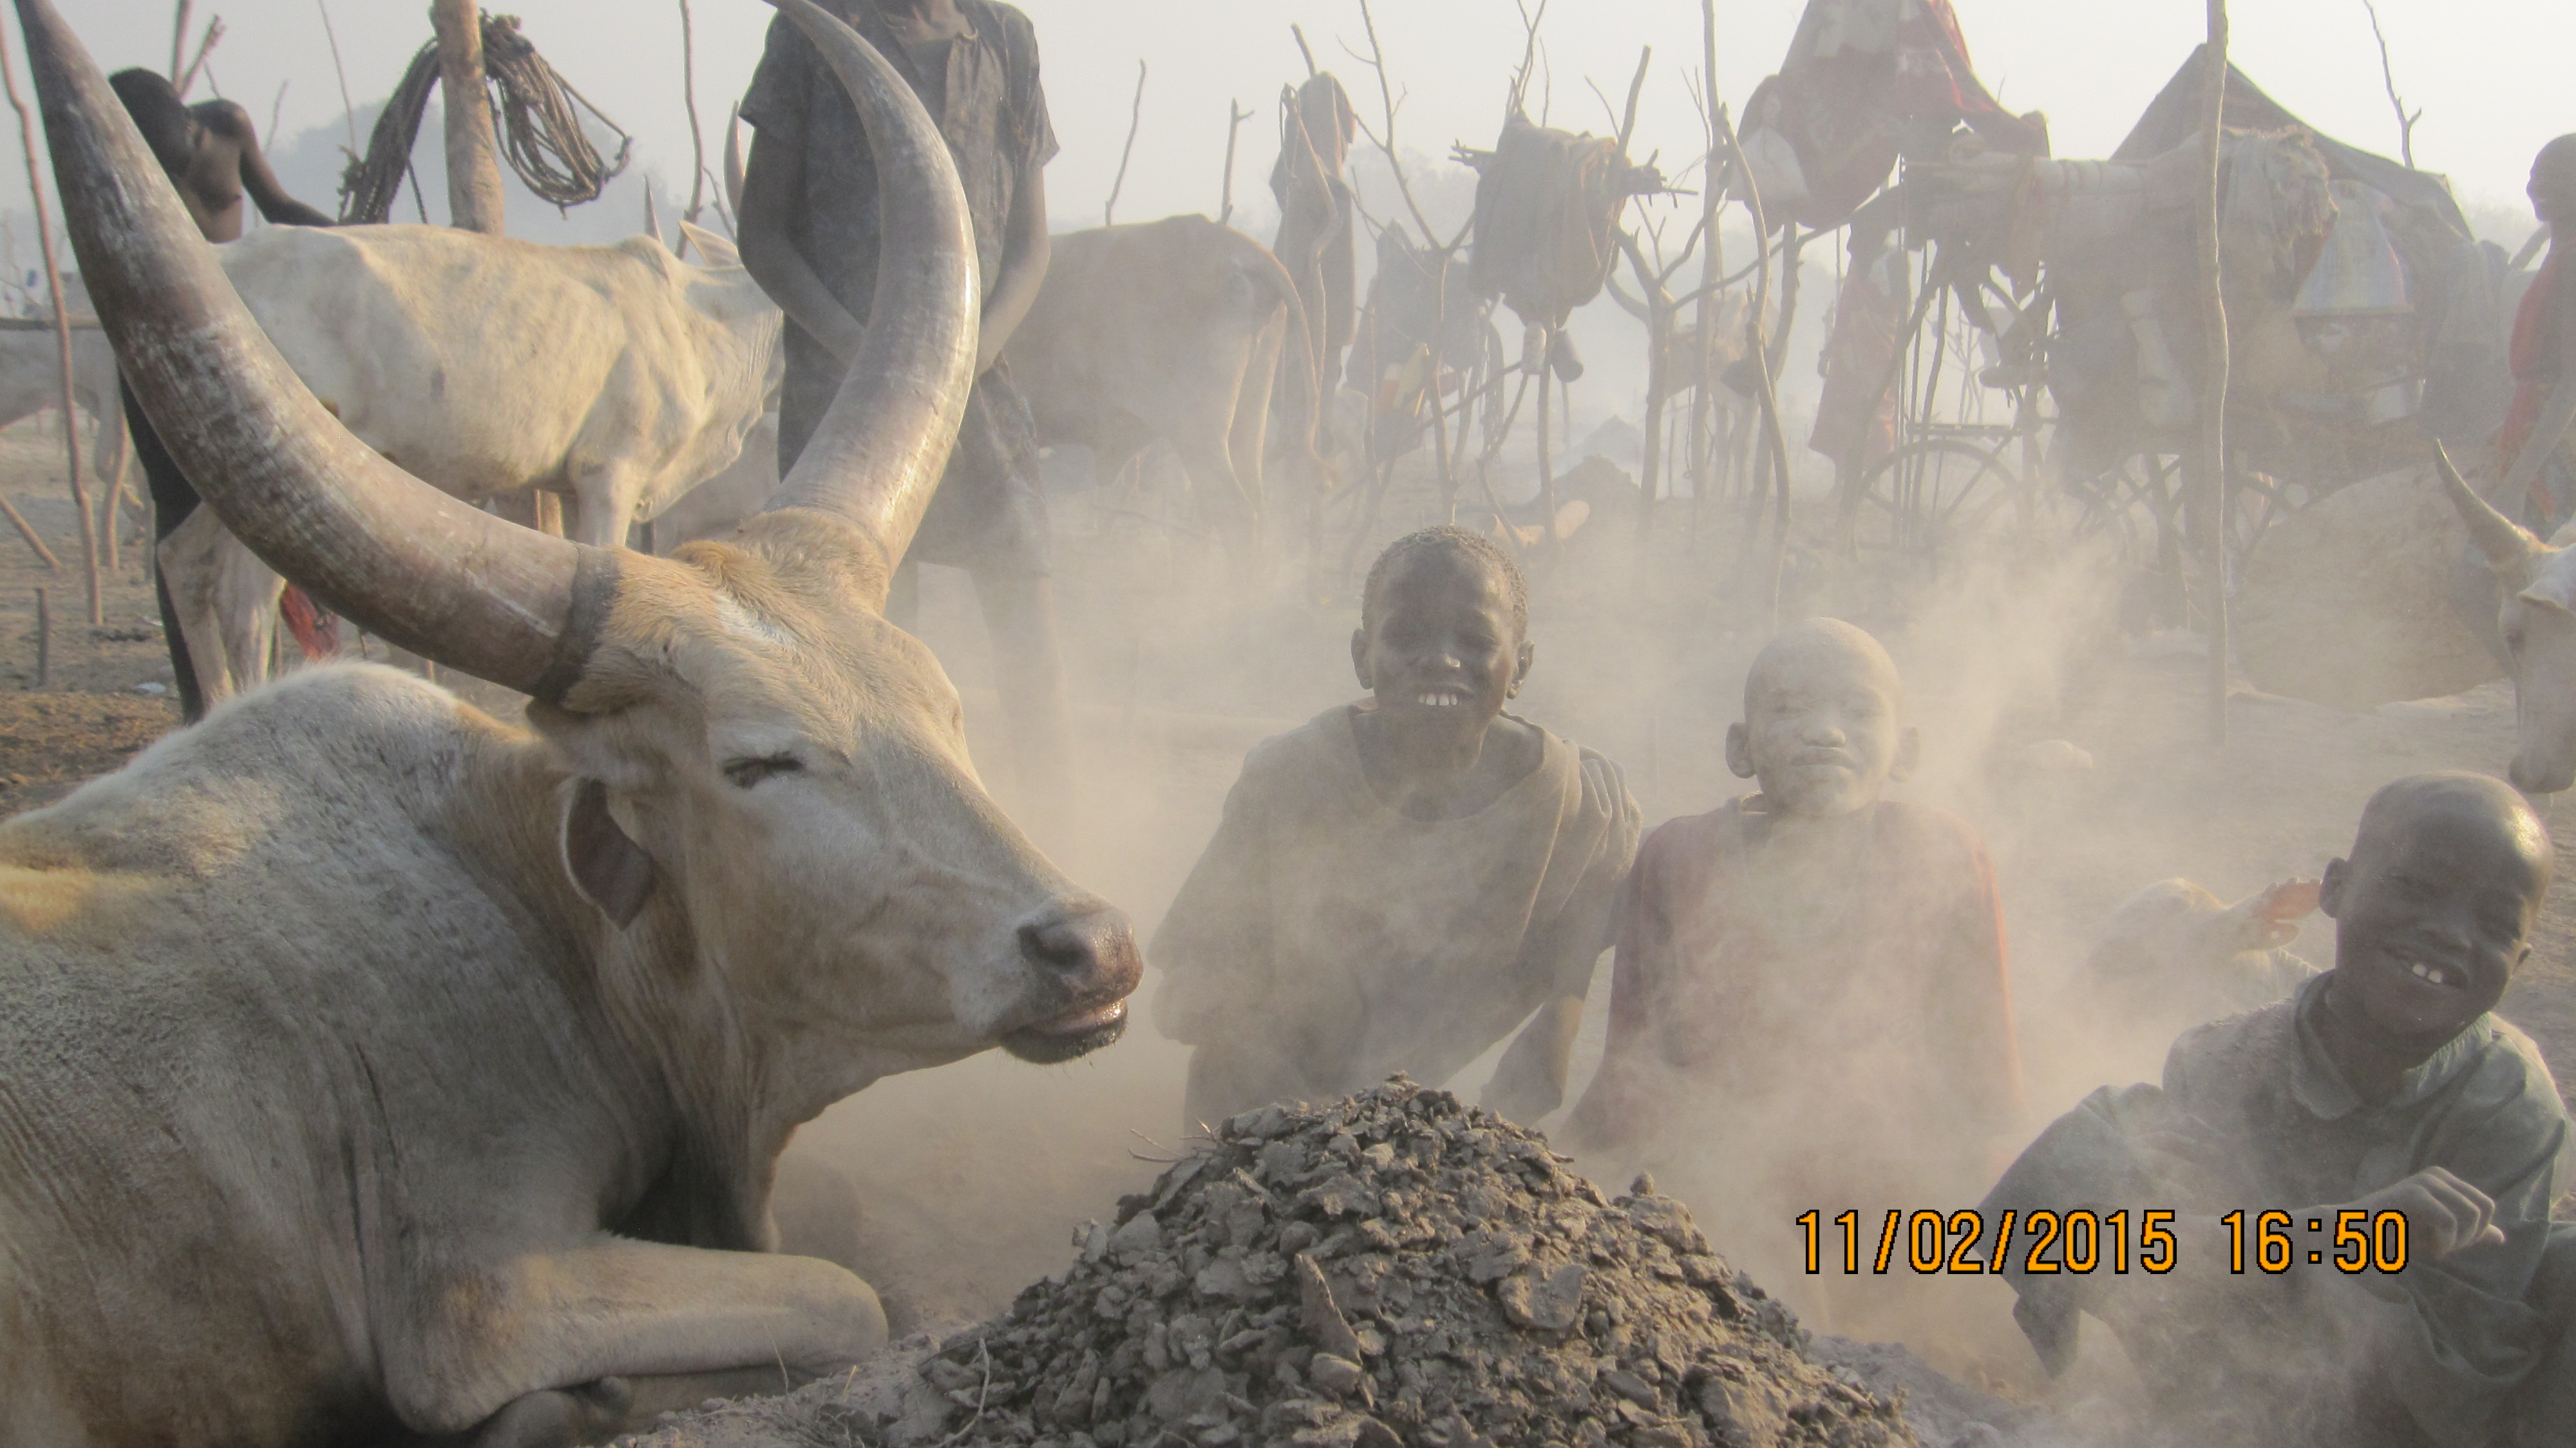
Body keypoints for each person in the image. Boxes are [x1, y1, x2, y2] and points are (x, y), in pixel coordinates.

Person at [1983, 774, 2576, 1448]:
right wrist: (2327, 1236)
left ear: (2520, 960)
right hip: (2223, 1396)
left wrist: (2285, 1236)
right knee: (2103, 1144)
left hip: (2395, 1421)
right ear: (2335, 889)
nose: (2448, 933)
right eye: (2415, 888)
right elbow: (2067, 1241)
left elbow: (2458, 1388)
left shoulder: (2510, 1105)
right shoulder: (2225, 1060)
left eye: (2494, 924)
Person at [1566, 618, 2023, 1304]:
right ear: (1740, 746)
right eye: (1787, 709)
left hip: (1895, 1207)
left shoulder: (1943, 856)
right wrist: (1563, 1184)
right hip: (1719, 1200)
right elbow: (1633, 1075)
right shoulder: (1678, 859)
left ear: (1906, 749)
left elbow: (1983, 1090)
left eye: (1858, 710)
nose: (1825, 732)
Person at [1152, 526, 1640, 1130]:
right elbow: (1187, 990)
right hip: (1261, 1105)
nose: (1440, 659)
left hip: (1419, 1116)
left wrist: (1555, 1035)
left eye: (1475, 640)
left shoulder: (1571, 802)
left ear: (1521, 665)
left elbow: (1591, 911)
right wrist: (1258, 1022)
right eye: (1407, 636)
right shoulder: (1290, 780)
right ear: (1363, 656)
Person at [736, 0, 1070, 824]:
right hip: (845, 395)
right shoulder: (812, 31)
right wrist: (863, 349)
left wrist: (969, 351)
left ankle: (1057, 824)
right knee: (868, 630)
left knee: (1027, 612)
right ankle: (892, 834)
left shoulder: (1003, 38)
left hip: (975, 387)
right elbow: (763, 236)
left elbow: (1029, 248)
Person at [108, 69, 336, 722]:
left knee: (279, 498)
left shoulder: (230, 125)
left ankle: (287, 671)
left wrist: (353, 241)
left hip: (246, 332)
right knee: (178, 520)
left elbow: (280, 206)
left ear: (193, 126)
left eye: (176, 157)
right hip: (161, 344)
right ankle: (199, 703)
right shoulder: (120, 166)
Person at [2505, 135, 2576, 527]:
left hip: (2557, 451)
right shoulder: (2561, 252)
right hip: (2539, 438)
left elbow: (2572, 384)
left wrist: (2517, 481)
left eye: (2550, 176)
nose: (2535, 188)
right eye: (2534, 176)